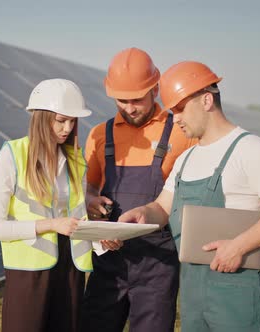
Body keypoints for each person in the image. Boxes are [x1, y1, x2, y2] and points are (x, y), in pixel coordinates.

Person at [118, 61, 260, 331]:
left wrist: (238, 247)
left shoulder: (249, 149)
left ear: (206, 100)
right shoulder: (186, 158)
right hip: (193, 289)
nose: (175, 117)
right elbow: (162, 207)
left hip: (236, 287)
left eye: (180, 108)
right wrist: (143, 213)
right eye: (172, 110)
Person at [0, 78, 121, 332]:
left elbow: (75, 219)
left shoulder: (75, 160)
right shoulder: (11, 156)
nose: (68, 128)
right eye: (61, 120)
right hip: (28, 275)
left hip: (70, 272)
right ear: (40, 117)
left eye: (73, 121)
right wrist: (51, 225)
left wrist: (100, 240)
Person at [81, 48, 197, 332]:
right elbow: (88, 190)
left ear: (155, 90)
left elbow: (191, 197)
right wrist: (91, 202)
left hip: (157, 264)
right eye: (122, 101)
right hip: (107, 262)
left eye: (137, 100)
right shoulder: (98, 135)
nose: (130, 108)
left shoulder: (182, 133)